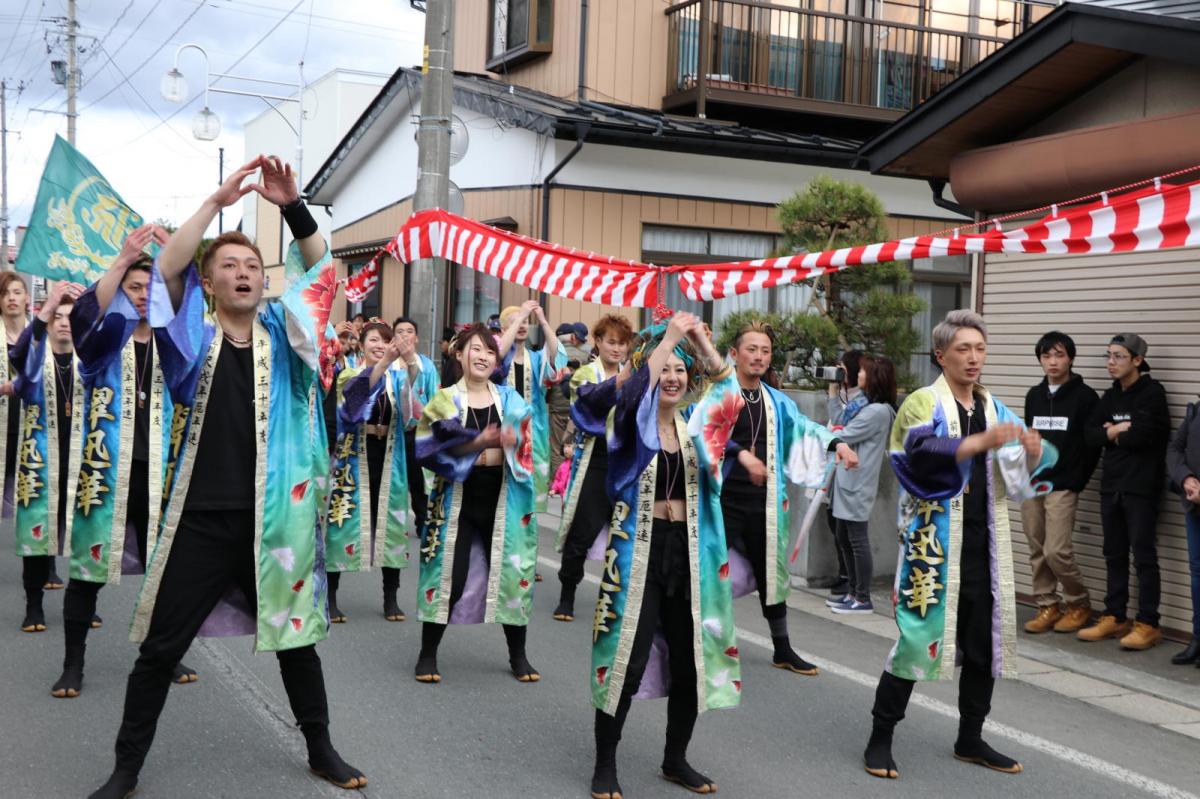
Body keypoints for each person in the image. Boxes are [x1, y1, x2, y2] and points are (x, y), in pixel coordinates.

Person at [86, 156, 365, 799]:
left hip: (278, 520)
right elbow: (169, 268)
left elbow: (322, 274)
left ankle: (320, 747)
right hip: (201, 519)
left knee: (297, 642)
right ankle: (126, 767)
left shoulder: (291, 336)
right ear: (210, 285)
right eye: (229, 267)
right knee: (159, 649)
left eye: (252, 267)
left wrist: (293, 205)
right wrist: (216, 202)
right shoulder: (192, 335)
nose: (243, 274)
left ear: (265, 283)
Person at [864, 310, 1053, 780]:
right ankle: (880, 737)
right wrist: (975, 444)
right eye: (963, 349)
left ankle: (970, 737)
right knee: (916, 641)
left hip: (984, 546)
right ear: (941, 355)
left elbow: (1030, 462)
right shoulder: (921, 402)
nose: (973, 358)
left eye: (980, 348)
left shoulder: (993, 407)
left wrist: (1033, 449)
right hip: (933, 545)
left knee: (983, 644)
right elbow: (917, 452)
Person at [589, 312, 735, 799]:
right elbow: (630, 395)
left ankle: (676, 759)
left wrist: (698, 341)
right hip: (637, 555)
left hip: (689, 553)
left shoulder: (697, 428)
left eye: (680, 370)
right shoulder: (629, 420)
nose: (672, 377)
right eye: (663, 368)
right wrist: (669, 336)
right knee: (624, 660)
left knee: (691, 660)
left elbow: (729, 391)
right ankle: (605, 763)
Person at [53, 228, 200, 698]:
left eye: (149, 287)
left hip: (160, 476)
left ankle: (165, 655)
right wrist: (123, 260)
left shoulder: (173, 346)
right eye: (134, 288)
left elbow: (192, 376)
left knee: (168, 572)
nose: (142, 296)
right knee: (85, 573)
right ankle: (73, 664)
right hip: (104, 472)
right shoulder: (103, 342)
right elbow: (82, 319)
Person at [716, 321, 858, 674]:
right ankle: (706, 643)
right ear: (734, 354)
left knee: (772, 575)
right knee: (709, 573)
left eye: (765, 351)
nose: (759, 356)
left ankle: (782, 649)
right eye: (752, 349)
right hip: (719, 501)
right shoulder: (718, 395)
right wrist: (739, 453)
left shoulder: (777, 400)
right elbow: (703, 432)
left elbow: (806, 428)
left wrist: (836, 443)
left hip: (764, 502)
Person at [412, 323, 539, 683]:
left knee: (514, 575)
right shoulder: (445, 399)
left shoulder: (511, 400)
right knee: (448, 574)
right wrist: (478, 441)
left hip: (503, 501)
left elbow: (530, 446)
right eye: (475, 349)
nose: (482, 357)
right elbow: (431, 445)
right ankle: (427, 654)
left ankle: (518, 656)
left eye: (489, 351)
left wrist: (515, 441)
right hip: (457, 502)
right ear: (459, 354)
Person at [325, 319, 433, 624]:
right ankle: (331, 598)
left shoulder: (398, 377)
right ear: (361, 344)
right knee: (342, 525)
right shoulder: (349, 373)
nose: (380, 346)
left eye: (385, 342)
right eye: (373, 340)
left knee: (392, 529)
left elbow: (415, 408)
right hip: (353, 459)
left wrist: (410, 360)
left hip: (390, 458)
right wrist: (387, 361)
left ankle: (390, 597)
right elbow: (356, 401)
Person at [1077, 333, 1170, 650]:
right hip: (1112, 484)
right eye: (1108, 356)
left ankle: (1148, 623)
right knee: (1113, 553)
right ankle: (1115, 616)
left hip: (1141, 487)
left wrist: (1112, 431)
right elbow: (1090, 435)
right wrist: (1120, 430)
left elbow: (1145, 435)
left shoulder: (1152, 394)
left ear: (1137, 360)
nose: (1110, 363)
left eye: (1118, 356)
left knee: (1143, 556)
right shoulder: (1111, 396)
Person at [10, 279, 83, 633]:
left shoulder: (92, 364)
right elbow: (20, 355)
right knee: (37, 538)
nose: (65, 322)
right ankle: (33, 606)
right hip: (39, 464)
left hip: (84, 464)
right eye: (59, 316)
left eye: (71, 316)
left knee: (87, 537)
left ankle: (85, 605)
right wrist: (46, 307)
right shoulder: (35, 361)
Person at [552, 313, 633, 622]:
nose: (616, 348)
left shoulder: (634, 375)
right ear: (597, 342)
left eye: (622, 343)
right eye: (611, 342)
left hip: (626, 462)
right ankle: (567, 594)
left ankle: (618, 600)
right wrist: (622, 382)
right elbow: (591, 407)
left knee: (625, 535)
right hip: (596, 460)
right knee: (582, 532)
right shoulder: (584, 374)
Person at [1020, 331, 1100, 634]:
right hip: (1033, 482)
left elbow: (1093, 445)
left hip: (1064, 484)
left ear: (1070, 358)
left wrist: (1078, 479)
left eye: (1059, 355)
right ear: (1040, 359)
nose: (1053, 362)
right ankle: (1047, 604)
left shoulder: (1085, 397)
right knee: (1036, 545)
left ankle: (1078, 602)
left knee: (1057, 551)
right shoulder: (1034, 396)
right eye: (1046, 356)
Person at [829, 355, 898, 615]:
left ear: (874, 377)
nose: (858, 375)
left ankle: (862, 597)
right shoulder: (864, 404)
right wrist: (834, 391)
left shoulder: (877, 411)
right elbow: (838, 419)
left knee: (856, 540)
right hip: (848, 479)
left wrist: (826, 433)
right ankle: (852, 593)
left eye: (863, 372)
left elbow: (842, 433)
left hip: (858, 482)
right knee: (844, 536)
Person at [497, 301, 566, 513]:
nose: (522, 325)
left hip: (533, 432)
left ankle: (524, 532)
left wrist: (543, 321)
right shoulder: (496, 359)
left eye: (526, 321)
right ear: (503, 330)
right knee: (502, 488)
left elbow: (557, 359)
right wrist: (521, 315)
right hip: (502, 430)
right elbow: (498, 353)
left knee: (528, 490)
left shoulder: (536, 359)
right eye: (516, 322)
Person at [825, 349, 866, 603]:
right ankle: (847, 579)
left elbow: (840, 424)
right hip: (834, 465)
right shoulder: (845, 394)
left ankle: (855, 587)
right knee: (835, 524)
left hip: (850, 469)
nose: (839, 373)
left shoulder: (862, 401)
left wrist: (832, 396)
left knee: (851, 533)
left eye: (843, 368)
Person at [1166, 396, 1200, 666]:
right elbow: (1175, 449)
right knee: (1197, 574)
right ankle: (1198, 638)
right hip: (1194, 506)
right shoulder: (1196, 410)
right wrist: (1186, 478)